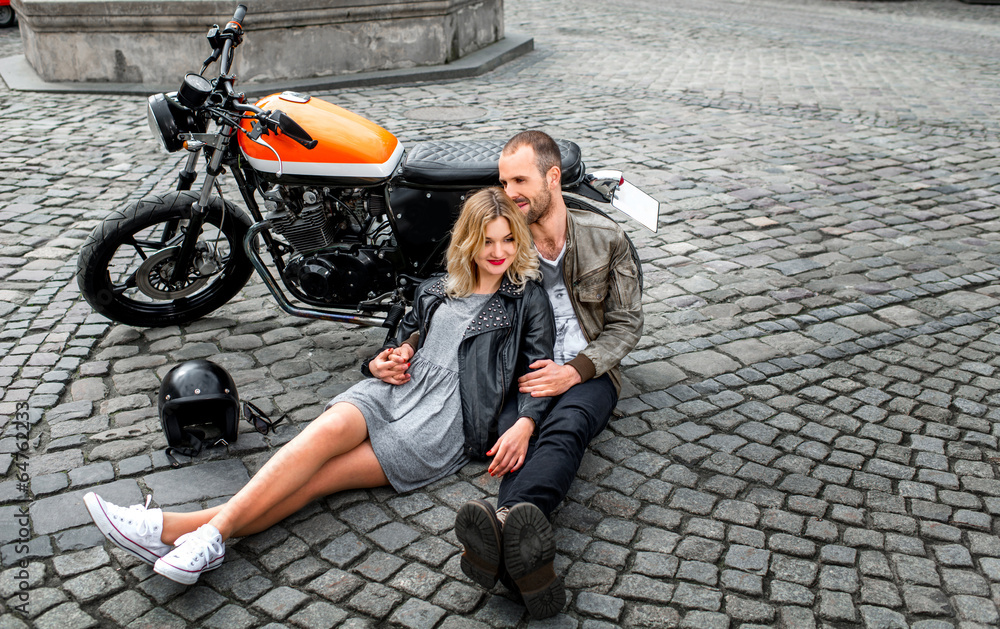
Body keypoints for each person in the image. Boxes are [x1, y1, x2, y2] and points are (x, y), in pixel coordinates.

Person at [83, 187, 555, 585]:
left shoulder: (526, 298)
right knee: (313, 442)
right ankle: (201, 539)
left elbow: (539, 370)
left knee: (319, 481)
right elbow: (400, 336)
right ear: (468, 241)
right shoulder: (436, 287)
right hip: (394, 390)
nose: (498, 252)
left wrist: (526, 425)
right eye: (488, 240)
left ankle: (170, 530)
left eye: (508, 240)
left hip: (442, 418)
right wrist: (384, 361)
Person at [455, 131, 644, 619]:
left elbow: (626, 324)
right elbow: (451, 296)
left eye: (520, 179)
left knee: (565, 431)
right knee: (515, 441)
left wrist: (575, 372)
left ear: (552, 177)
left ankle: (502, 529)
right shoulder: (503, 243)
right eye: (503, 181)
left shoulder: (607, 237)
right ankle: (519, 551)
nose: (510, 191)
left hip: (590, 373)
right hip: (524, 373)